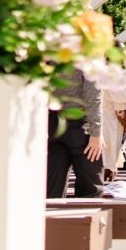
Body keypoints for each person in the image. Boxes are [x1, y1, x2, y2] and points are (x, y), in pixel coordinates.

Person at [46, 68, 103, 198]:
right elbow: (93, 95)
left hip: (54, 120)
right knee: (91, 189)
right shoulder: (88, 51)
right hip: (81, 122)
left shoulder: (53, 50)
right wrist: (96, 132)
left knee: (53, 188)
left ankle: (53, 217)